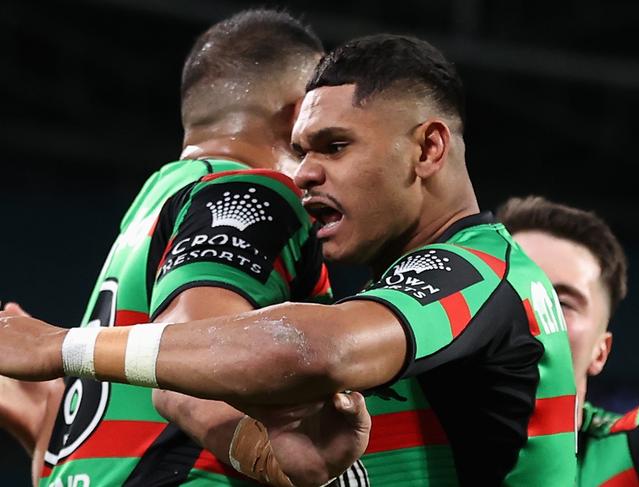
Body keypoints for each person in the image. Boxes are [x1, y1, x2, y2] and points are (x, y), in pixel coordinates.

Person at [0, 34, 578, 486]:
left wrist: (61, 347)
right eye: (300, 151)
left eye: (335, 146)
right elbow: (184, 385)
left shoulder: (477, 270)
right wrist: (273, 458)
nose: (302, 173)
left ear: (428, 149)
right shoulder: (406, 312)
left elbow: (309, 349)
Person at [0, 9, 372, 487]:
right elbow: (187, 379)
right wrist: (288, 465)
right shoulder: (252, 192)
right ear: (299, 112)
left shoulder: (154, 209)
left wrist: (42, 422)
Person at [497, 196, 639, 487]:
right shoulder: (398, 443)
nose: (529, 311)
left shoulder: (631, 454)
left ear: (600, 352)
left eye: (561, 302)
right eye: (510, 289)